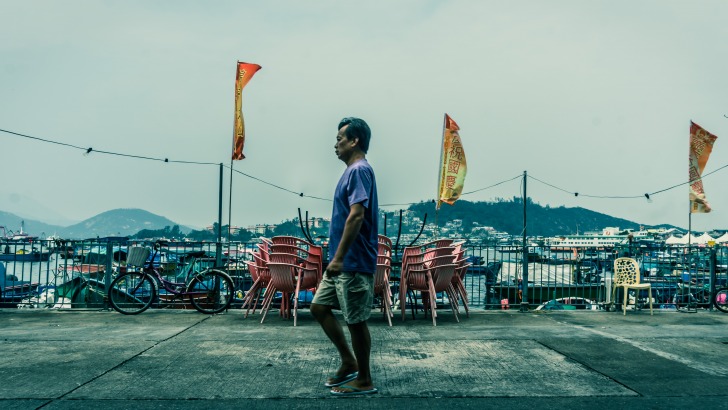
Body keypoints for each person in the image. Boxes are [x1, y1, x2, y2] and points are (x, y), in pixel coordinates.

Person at [310, 117, 379, 396]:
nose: (335, 143)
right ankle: (349, 361)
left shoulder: (360, 170)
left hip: (352, 261)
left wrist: (337, 258)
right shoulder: (351, 171)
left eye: (340, 138)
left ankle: (364, 379)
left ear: (354, 141)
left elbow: (357, 215)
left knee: (355, 320)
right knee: (318, 307)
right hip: (342, 261)